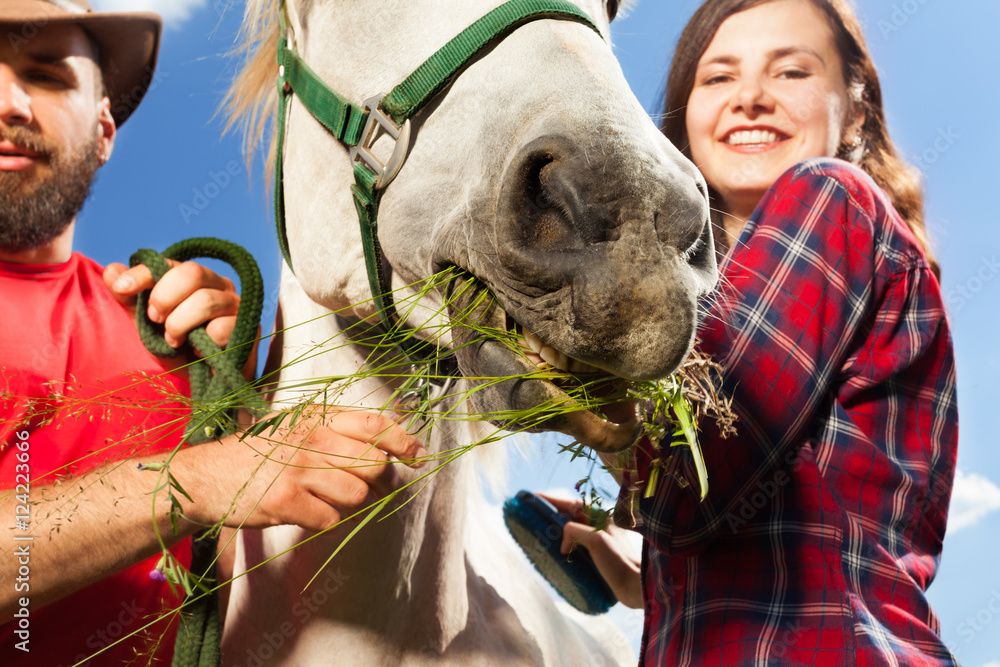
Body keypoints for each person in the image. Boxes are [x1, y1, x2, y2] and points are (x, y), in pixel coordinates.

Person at [0, 2, 424, 665]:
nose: (9, 104)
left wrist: (241, 394)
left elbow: (238, 587)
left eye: (48, 76)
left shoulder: (168, 326)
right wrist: (202, 477)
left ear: (105, 128)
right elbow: (215, 484)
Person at [559, 0, 959, 664]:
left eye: (791, 72)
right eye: (717, 78)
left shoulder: (830, 197)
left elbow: (695, 482)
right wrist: (648, 574)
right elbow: (763, 501)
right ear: (685, 116)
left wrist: (571, 395)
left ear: (855, 109)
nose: (749, 97)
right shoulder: (730, 304)